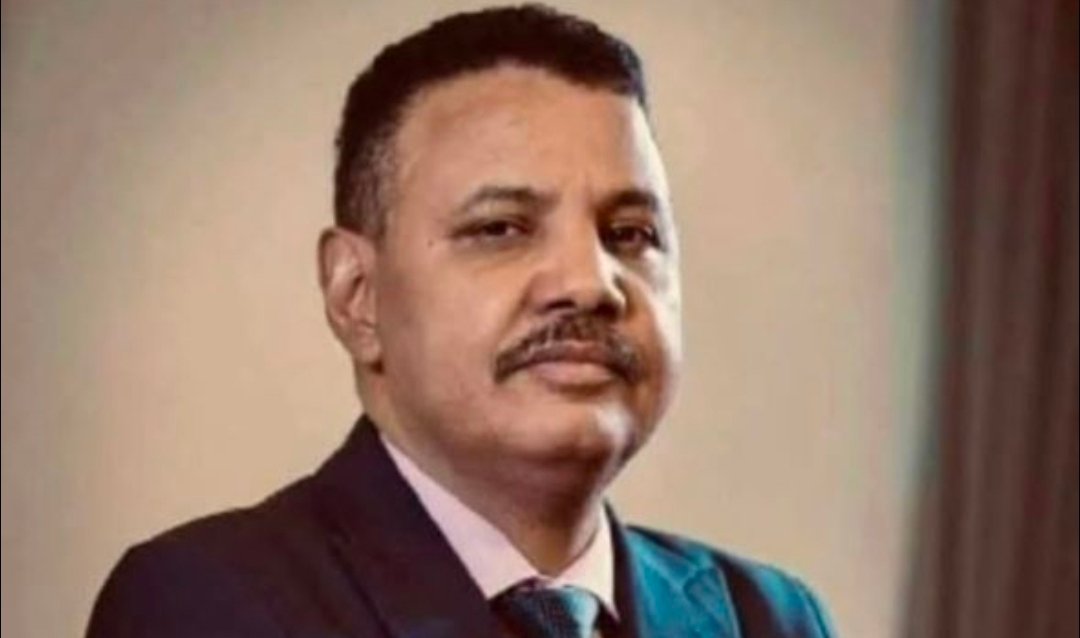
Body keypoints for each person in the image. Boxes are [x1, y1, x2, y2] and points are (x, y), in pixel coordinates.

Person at [86, 5, 835, 637]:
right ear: (356, 294)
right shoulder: (206, 604)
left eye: (630, 233)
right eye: (501, 228)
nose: (590, 282)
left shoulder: (773, 619)